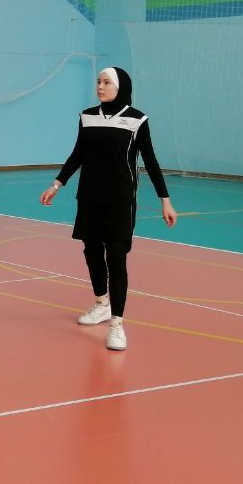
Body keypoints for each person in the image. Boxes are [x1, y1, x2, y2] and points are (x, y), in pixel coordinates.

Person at [40, 66, 178, 352]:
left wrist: (165, 199)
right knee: (91, 251)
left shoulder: (137, 120)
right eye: (98, 82)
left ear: (120, 86)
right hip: (89, 197)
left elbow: (150, 161)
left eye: (106, 82)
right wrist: (57, 184)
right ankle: (101, 303)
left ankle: (117, 324)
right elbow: (78, 153)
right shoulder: (87, 116)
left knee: (116, 257)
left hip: (120, 199)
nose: (100, 87)